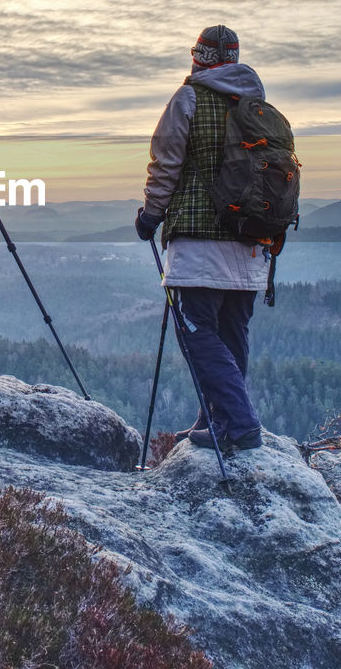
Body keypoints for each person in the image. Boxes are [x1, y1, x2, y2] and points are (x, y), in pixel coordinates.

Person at [135, 25, 266, 451]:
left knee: (197, 333)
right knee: (232, 334)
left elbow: (166, 162)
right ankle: (215, 419)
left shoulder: (189, 97)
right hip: (250, 242)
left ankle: (240, 424)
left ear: (200, 58)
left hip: (199, 239)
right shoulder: (256, 104)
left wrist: (151, 214)